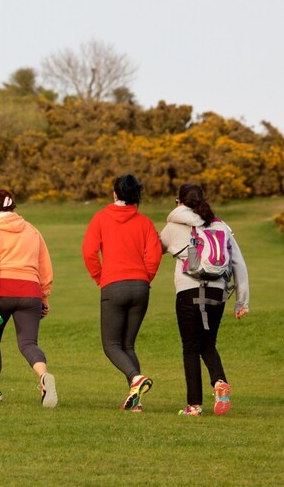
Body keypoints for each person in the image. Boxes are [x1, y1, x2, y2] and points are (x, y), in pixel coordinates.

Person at [159, 183, 250, 417]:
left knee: (190, 347)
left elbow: (152, 251)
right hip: (218, 294)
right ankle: (219, 383)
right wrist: (242, 302)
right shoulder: (221, 226)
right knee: (208, 344)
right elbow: (238, 264)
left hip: (188, 292)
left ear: (179, 201)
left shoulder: (173, 225)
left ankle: (194, 405)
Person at [82, 174, 163, 411]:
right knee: (128, 346)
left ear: (115, 194)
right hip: (140, 286)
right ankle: (135, 401)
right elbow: (155, 255)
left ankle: (135, 379)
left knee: (111, 345)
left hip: (113, 285)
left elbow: (88, 252)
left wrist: (100, 277)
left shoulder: (100, 218)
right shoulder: (145, 223)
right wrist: (145, 277)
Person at [0, 188, 58, 407]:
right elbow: (45, 266)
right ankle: (43, 377)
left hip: (1, 292)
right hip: (30, 292)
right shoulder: (32, 230)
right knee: (28, 343)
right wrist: (44, 296)